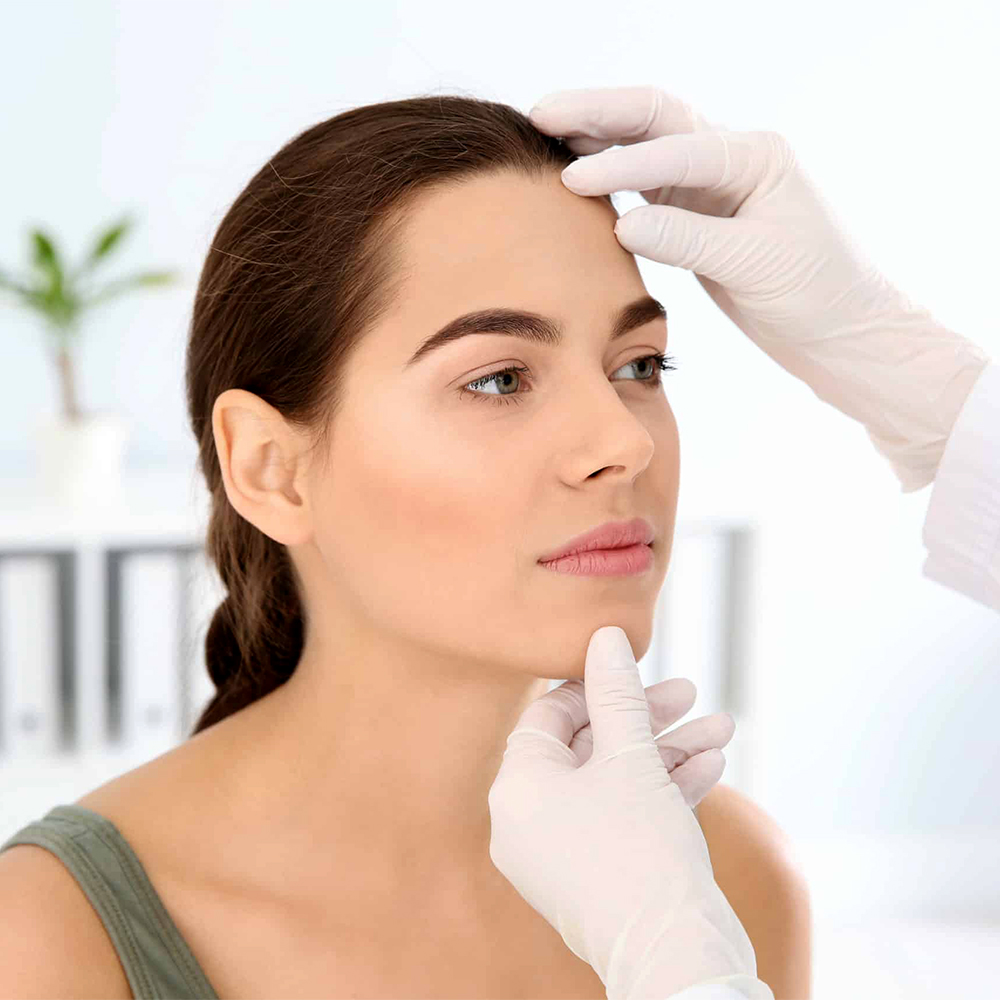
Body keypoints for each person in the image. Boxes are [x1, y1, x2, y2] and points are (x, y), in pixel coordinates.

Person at [488, 84, 999, 1000]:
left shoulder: (738, 874)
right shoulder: (142, 927)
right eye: (496, 380)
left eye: (642, 366)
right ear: (270, 468)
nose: (627, 440)